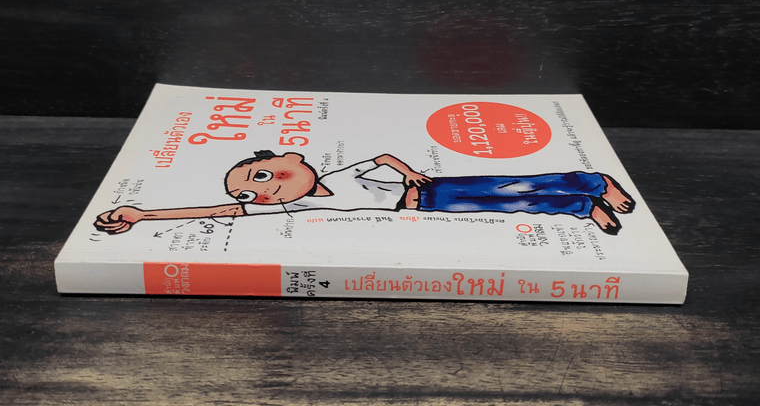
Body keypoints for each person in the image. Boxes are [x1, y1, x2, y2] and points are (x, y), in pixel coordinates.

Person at [95, 150, 636, 235]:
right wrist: (142, 214)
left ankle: (595, 184)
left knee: (509, 184)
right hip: (426, 206)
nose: (262, 192)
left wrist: (410, 171)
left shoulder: (343, 171)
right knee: (513, 205)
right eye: (252, 194)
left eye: (260, 177)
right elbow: (218, 209)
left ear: (291, 160)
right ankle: (581, 207)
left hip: (428, 187)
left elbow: (381, 159)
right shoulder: (294, 205)